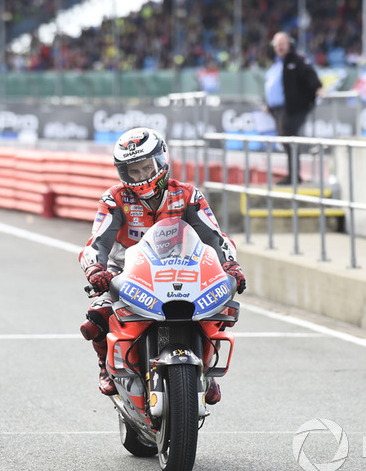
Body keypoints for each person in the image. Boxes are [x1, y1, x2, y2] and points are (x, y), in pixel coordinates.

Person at [78, 127, 247, 404]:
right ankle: (105, 366)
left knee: (218, 304)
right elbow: (97, 241)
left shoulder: (189, 195)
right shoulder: (114, 198)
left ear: (161, 161)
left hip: (183, 268)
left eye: (145, 167)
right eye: (132, 171)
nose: (140, 176)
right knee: (97, 315)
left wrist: (230, 265)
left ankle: (206, 371)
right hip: (127, 273)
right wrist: (96, 270)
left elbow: (215, 236)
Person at [264, 32, 323, 185]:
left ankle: (294, 175)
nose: (279, 47)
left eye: (282, 44)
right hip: (277, 110)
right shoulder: (276, 63)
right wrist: (268, 105)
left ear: (289, 44)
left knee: (290, 139)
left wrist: (318, 88)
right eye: (277, 45)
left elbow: (310, 74)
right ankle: (293, 174)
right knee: (285, 141)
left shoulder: (297, 60)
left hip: (293, 108)